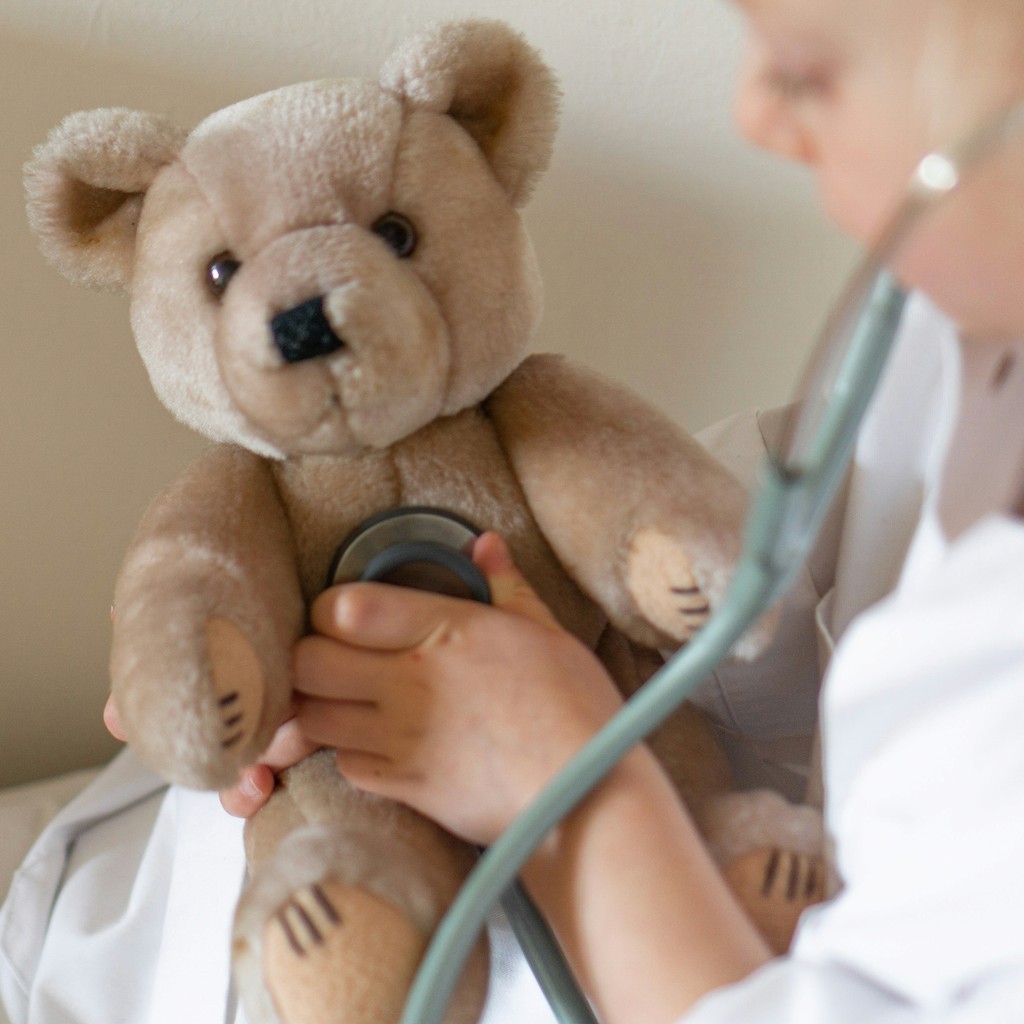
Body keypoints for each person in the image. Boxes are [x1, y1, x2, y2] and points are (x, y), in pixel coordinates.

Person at [216, 1, 1024, 1022]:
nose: (752, 115)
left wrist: (560, 780)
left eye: (805, 69)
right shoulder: (959, 305)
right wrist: (252, 632)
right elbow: (815, 540)